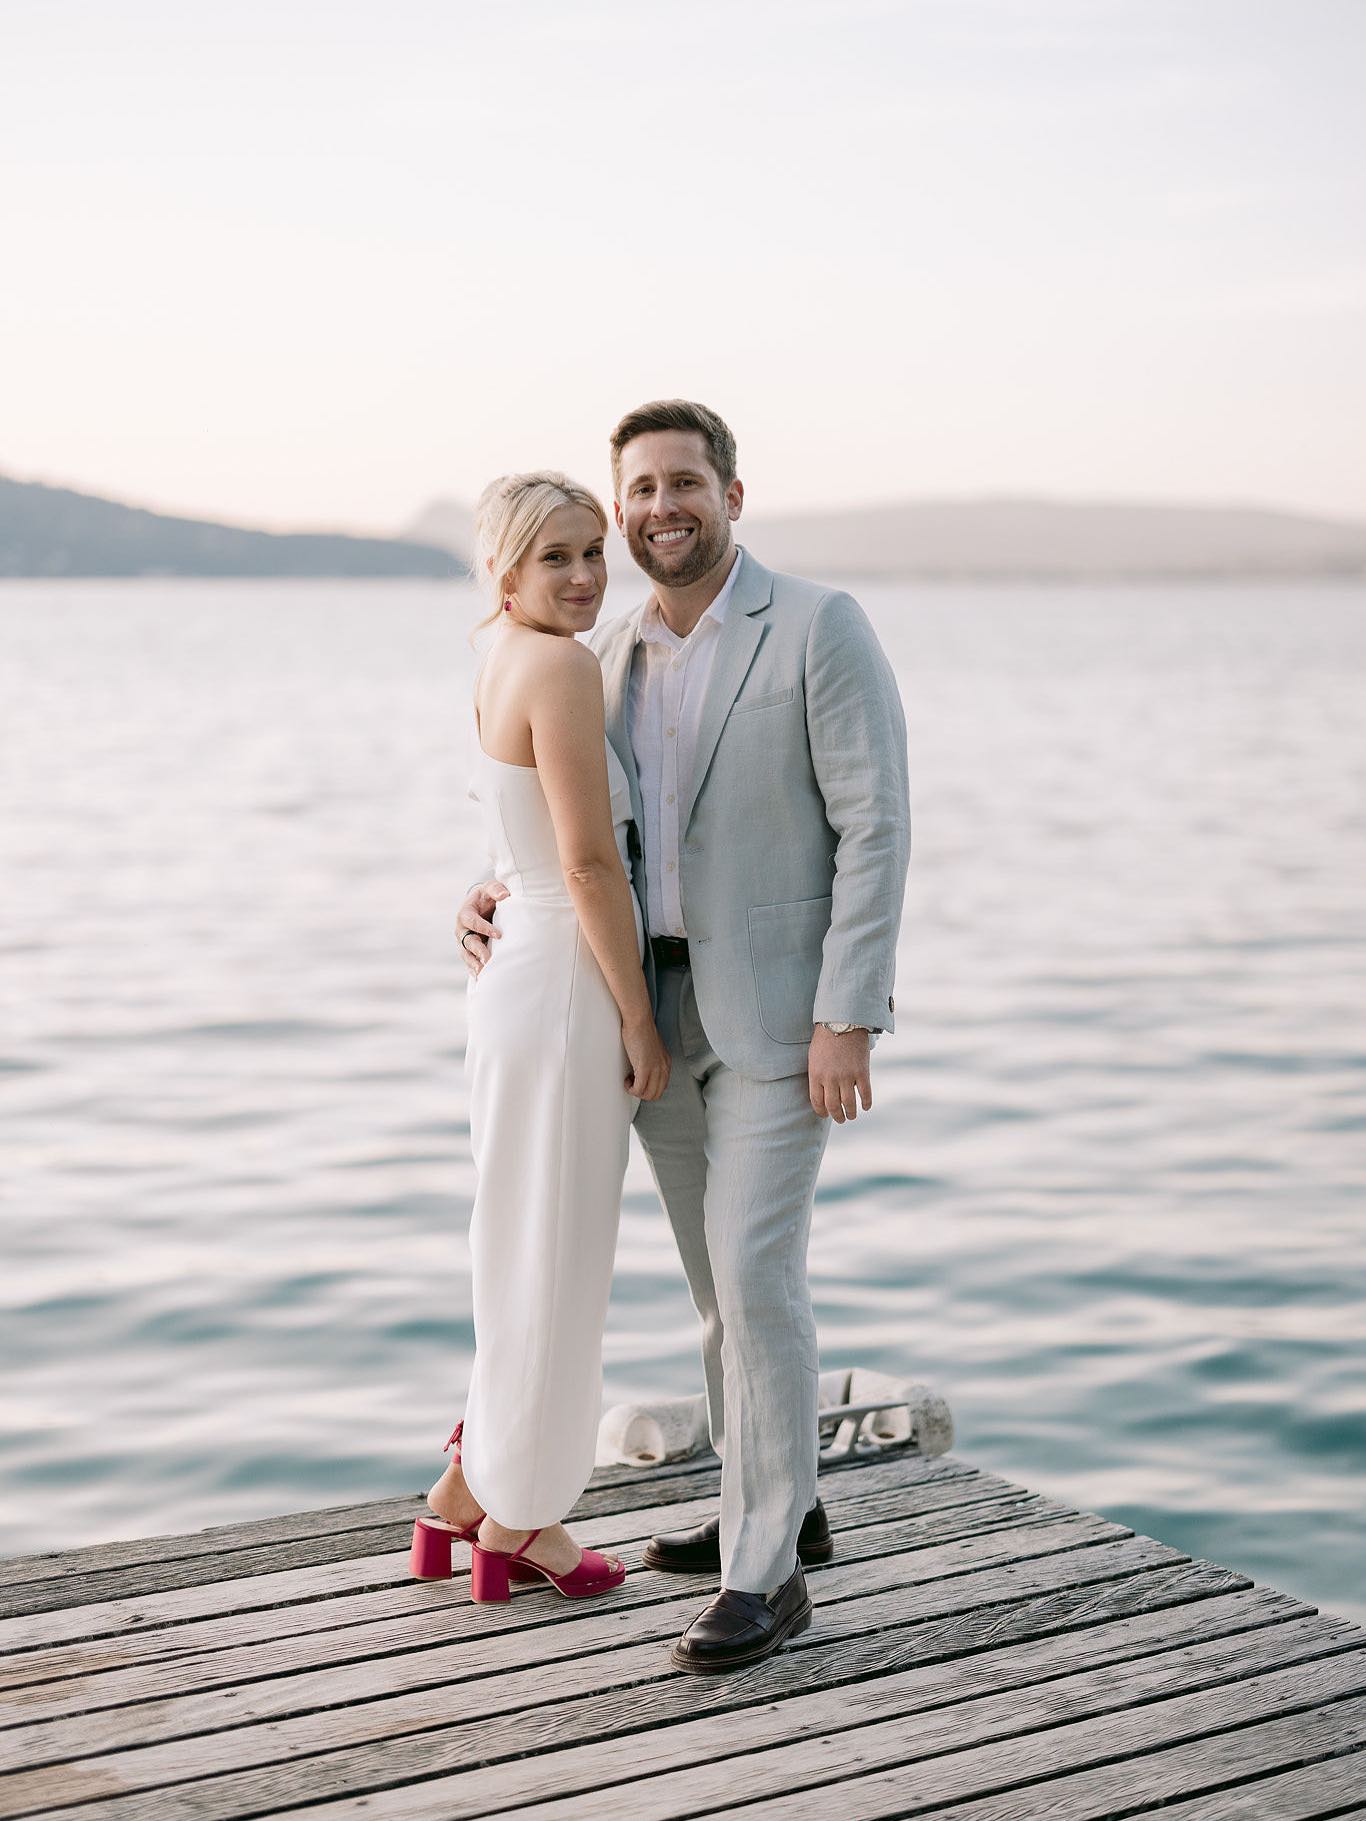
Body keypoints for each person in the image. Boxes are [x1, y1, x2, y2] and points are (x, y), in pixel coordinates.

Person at [460, 401, 910, 1670]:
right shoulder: (595, 653)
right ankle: (780, 1506)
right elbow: (571, 836)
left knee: (758, 1283)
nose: (659, 510)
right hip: (640, 1009)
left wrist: (847, 1015)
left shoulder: (820, 626)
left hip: (777, 1018)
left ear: (731, 493)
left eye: (682, 485)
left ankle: (767, 1575)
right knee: (715, 1290)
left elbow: (876, 827)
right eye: (638, 492)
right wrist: (489, 889)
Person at [410, 471, 671, 1605]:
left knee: (515, 1242)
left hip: (517, 975)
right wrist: (641, 1016)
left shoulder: (498, 660)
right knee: (557, 1257)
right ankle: (525, 1519)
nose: (580, 577)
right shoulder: (560, 667)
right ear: (503, 569)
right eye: (554, 556)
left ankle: (464, 1497)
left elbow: (522, 845)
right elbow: (582, 863)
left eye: (591, 554)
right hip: (565, 978)